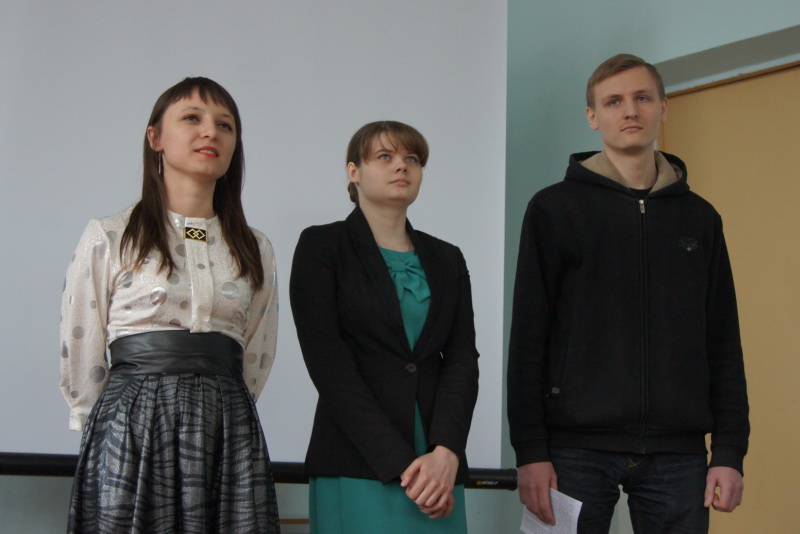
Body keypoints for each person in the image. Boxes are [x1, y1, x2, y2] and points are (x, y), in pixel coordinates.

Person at [507, 54, 750, 533]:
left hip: (678, 454)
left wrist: (728, 451)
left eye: (642, 98)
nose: (630, 111)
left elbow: (723, 342)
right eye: (613, 101)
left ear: (664, 107)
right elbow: (529, 338)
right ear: (593, 116)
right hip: (573, 450)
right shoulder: (553, 209)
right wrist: (530, 451)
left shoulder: (700, 218)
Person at [60, 77, 280, 533]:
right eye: (192, 118)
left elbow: (257, 350)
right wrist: (100, 430)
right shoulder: (110, 235)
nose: (210, 132)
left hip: (226, 424)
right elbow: (82, 344)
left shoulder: (255, 247)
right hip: (132, 423)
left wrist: (223, 406)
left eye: (225, 125)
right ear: (155, 137)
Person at [290, 121, 480, 533]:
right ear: (353, 171)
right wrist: (402, 464)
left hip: (438, 466)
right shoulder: (322, 246)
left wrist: (447, 452)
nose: (401, 166)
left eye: (412, 158)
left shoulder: (447, 257)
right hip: (359, 457)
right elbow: (329, 364)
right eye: (384, 156)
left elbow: (462, 359)